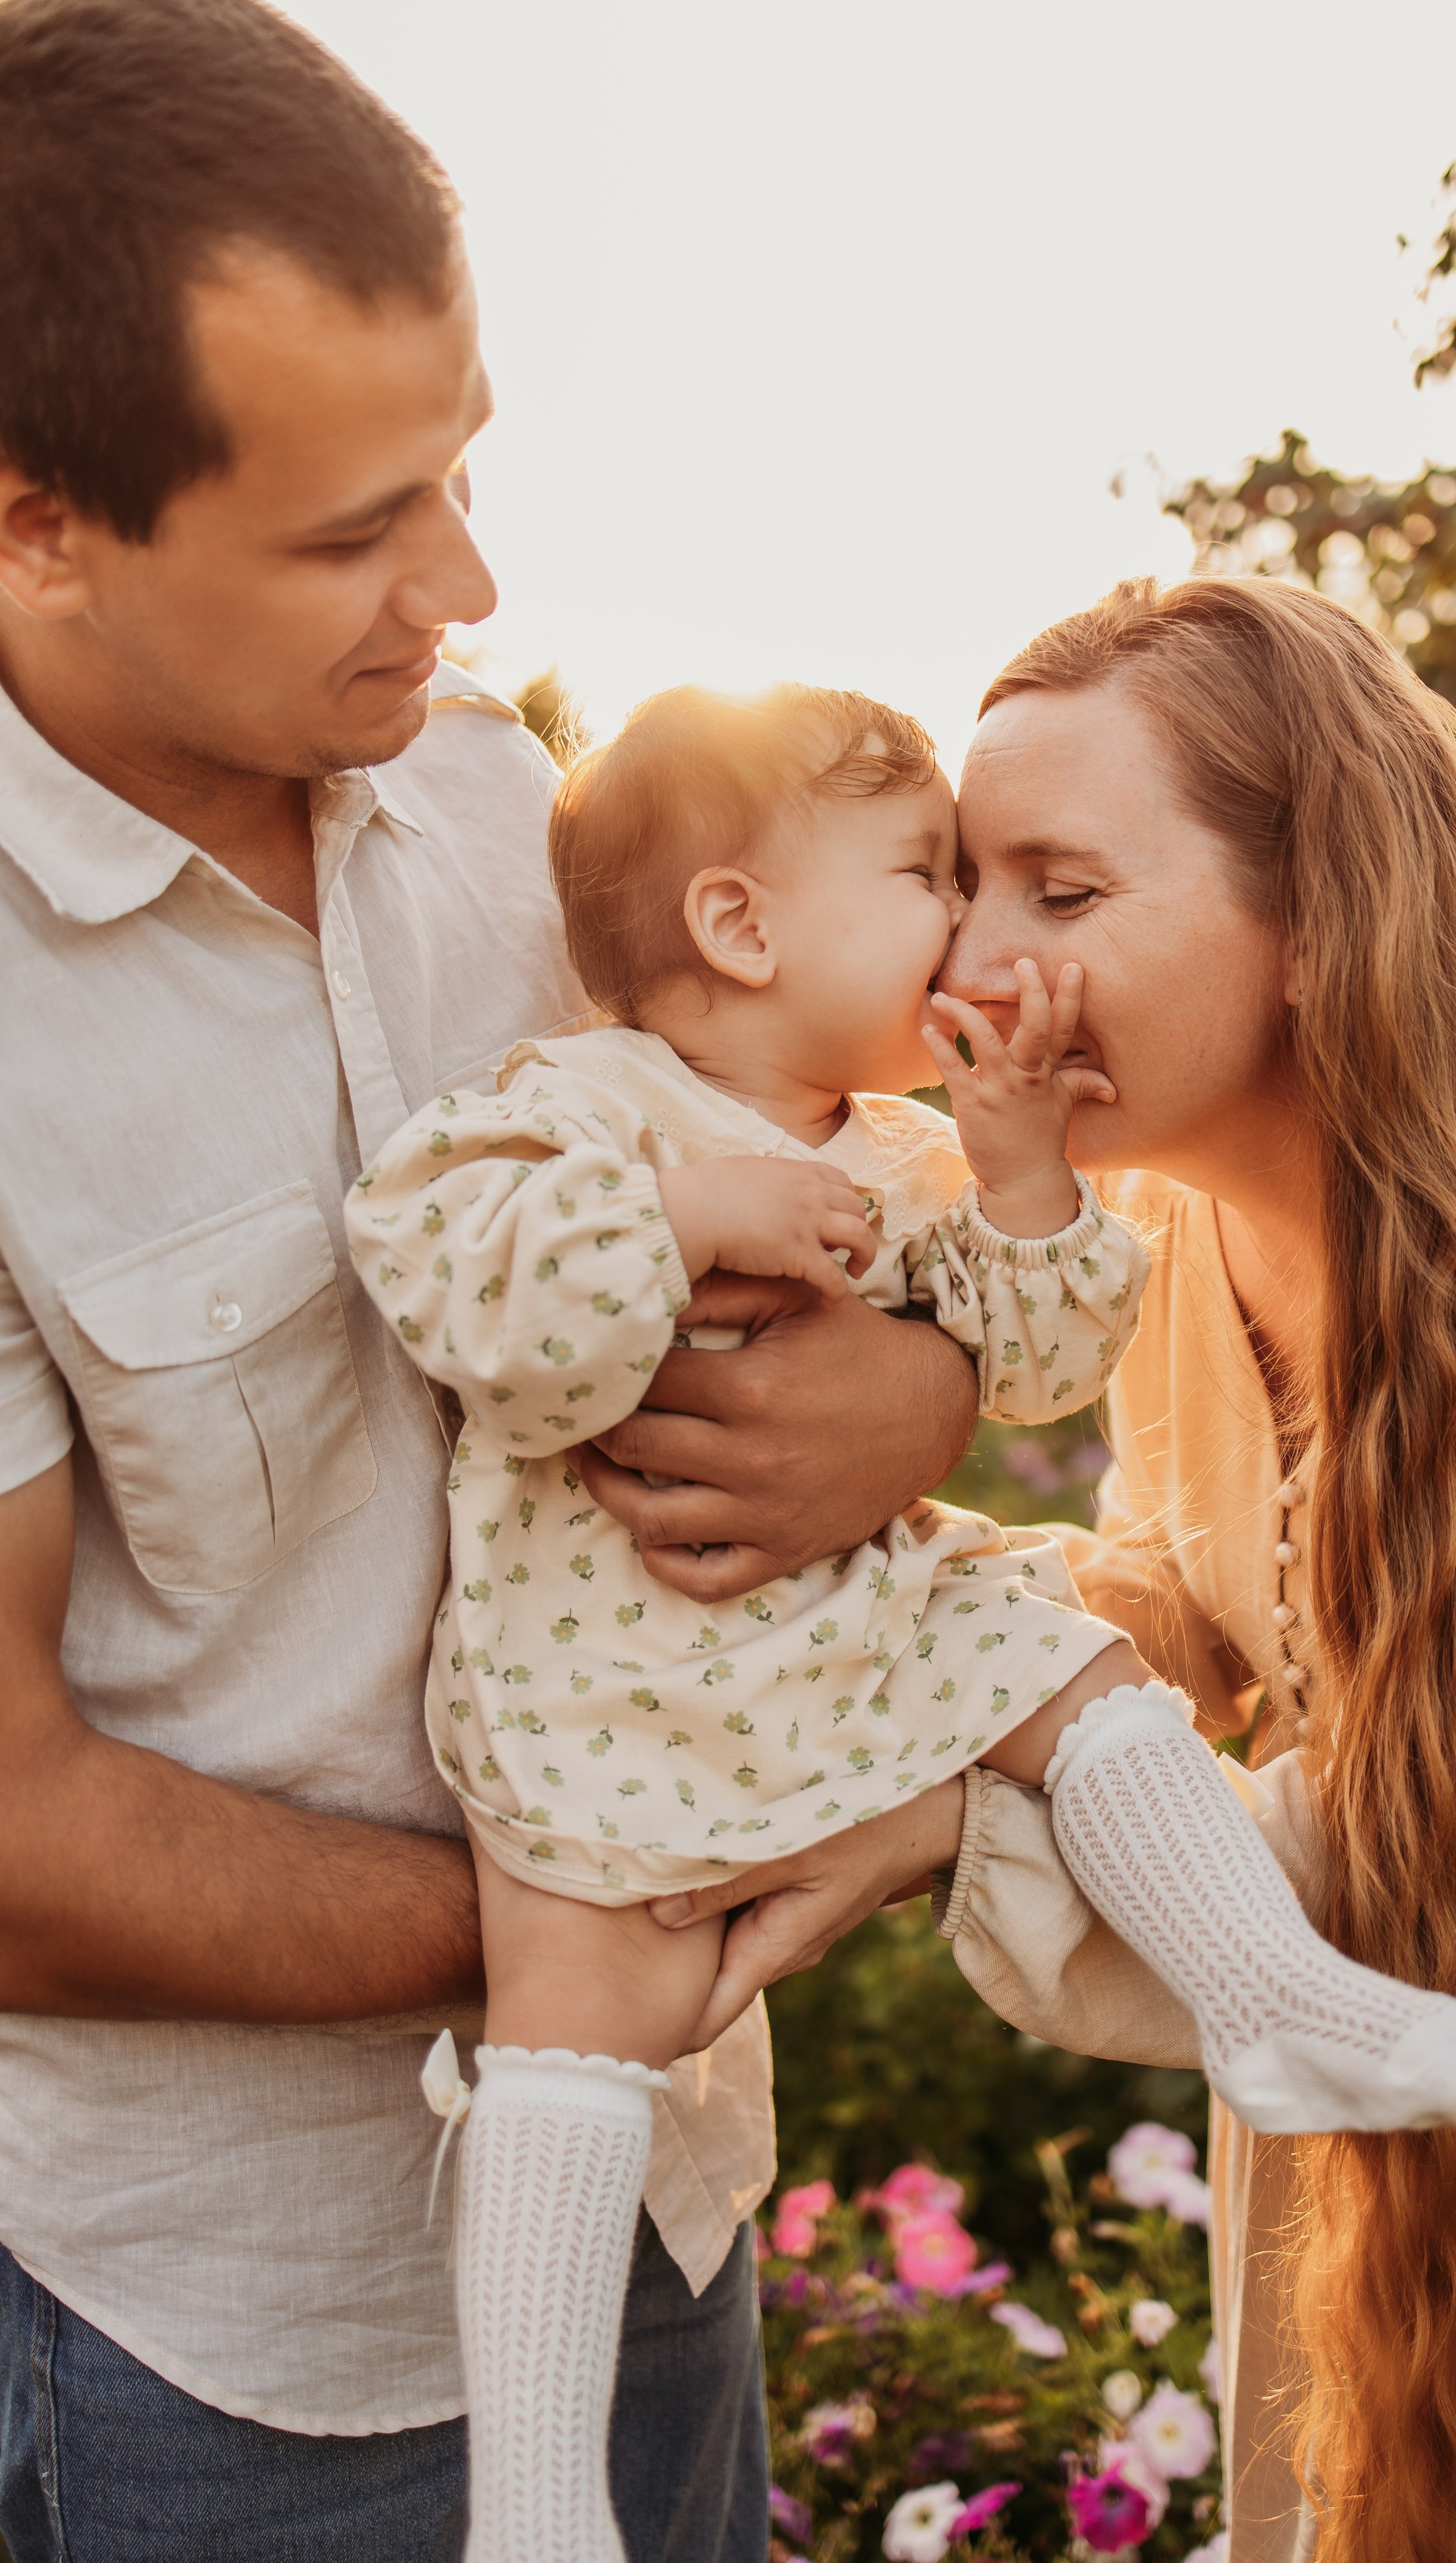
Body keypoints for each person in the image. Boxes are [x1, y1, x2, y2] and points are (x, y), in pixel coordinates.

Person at [0, 7, 978, 2558]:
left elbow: (755, 1229)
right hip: (222, 2345)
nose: (471, 587)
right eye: (357, 531)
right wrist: (615, 1913)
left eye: (467, 466)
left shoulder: (487, 798)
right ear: (34, 519)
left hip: (659, 2194)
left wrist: (919, 1393)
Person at [354, 675, 1456, 2556]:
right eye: (935, 876)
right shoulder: (579, 1105)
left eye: (1026, 887)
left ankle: (1275, 1995)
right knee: (569, 2037)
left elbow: (1046, 1365)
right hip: (601, 1674)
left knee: (1077, 1666)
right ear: (741, 924)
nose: (972, 936)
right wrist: (687, 1216)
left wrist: (1025, 1181)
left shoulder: (907, 1153)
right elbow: (466, 1296)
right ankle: (539, 2507)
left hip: (860, 1625)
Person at [655, 577, 1456, 2562]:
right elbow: (1197, 1590)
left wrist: (939, 1822)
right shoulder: (1159, 1235)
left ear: (1317, 923)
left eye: (1065, 890)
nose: (977, 957)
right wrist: (899, 1631)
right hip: (1419, 2227)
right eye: (969, 884)